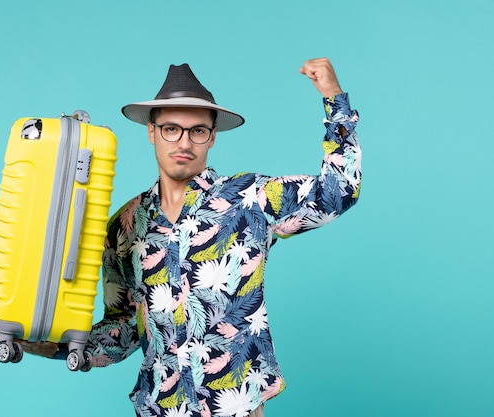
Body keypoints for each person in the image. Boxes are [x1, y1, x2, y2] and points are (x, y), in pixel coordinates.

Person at [22, 58, 361, 417]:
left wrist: (333, 98)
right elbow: (124, 325)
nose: (184, 141)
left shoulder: (248, 198)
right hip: (158, 407)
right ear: (151, 132)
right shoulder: (123, 225)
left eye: (197, 131)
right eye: (171, 128)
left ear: (212, 137)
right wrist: (58, 346)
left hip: (235, 408)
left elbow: (336, 194)